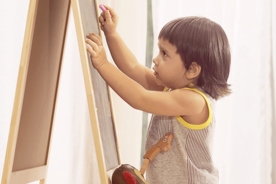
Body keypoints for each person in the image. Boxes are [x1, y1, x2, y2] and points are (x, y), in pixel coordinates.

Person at [85, 5, 231, 184]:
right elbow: (132, 67)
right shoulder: (173, 91)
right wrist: (111, 34)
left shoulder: (193, 101)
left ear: (192, 69)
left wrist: (102, 64)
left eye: (164, 54)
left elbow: (140, 98)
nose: (156, 59)